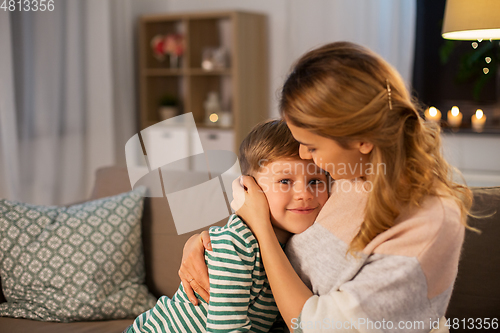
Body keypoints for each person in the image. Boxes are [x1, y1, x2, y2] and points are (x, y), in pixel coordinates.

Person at [179, 42, 473, 333]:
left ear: (362, 139)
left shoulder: (427, 225)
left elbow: (314, 327)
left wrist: (260, 228)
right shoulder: (350, 174)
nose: (306, 155)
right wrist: (210, 246)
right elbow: (280, 201)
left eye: (312, 146)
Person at [125, 119, 329, 333]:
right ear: (250, 187)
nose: (304, 194)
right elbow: (226, 329)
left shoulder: (295, 246)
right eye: (285, 181)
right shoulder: (236, 244)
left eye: (315, 181)